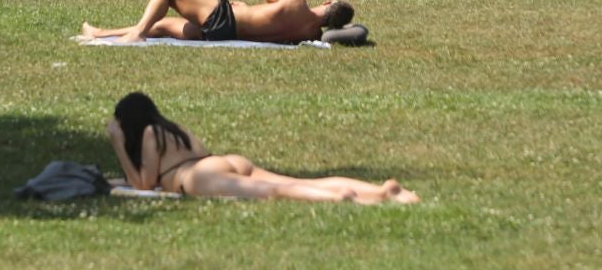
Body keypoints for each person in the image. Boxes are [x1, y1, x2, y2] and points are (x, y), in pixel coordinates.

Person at [107, 92, 418, 203]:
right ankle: (381, 191)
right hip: (225, 161)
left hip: (197, 177)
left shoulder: (149, 134)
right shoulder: (174, 130)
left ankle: (344, 199)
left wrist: (120, 145)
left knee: (274, 192)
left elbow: (144, 184)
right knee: (294, 183)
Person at [81, 0, 352, 45]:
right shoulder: (310, 33)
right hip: (226, 34)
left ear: (327, 2)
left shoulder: (297, 1)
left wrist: (244, 9)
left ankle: (137, 34)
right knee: (163, 26)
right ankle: (102, 33)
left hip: (225, 18)